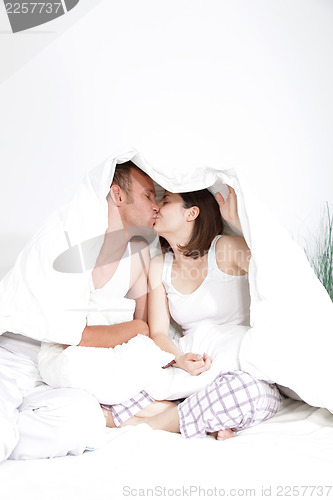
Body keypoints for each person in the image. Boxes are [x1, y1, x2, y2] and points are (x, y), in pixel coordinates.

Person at [0, 161, 160, 462]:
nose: (156, 206)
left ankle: (9, 429)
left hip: (58, 373)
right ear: (118, 195)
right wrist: (135, 330)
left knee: (85, 422)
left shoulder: (137, 255)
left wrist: (139, 330)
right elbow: (75, 335)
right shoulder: (66, 235)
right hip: (12, 355)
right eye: (149, 195)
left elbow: (148, 329)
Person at [102, 187, 282, 440]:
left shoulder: (226, 248)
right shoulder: (158, 265)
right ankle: (204, 415)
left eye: (164, 201)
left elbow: (275, 273)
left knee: (247, 392)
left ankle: (139, 427)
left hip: (238, 363)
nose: (156, 207)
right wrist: (180, 359)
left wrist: (241, 225)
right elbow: (159, 333)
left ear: (192, 213)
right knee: (113, 394)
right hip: (189, 365)